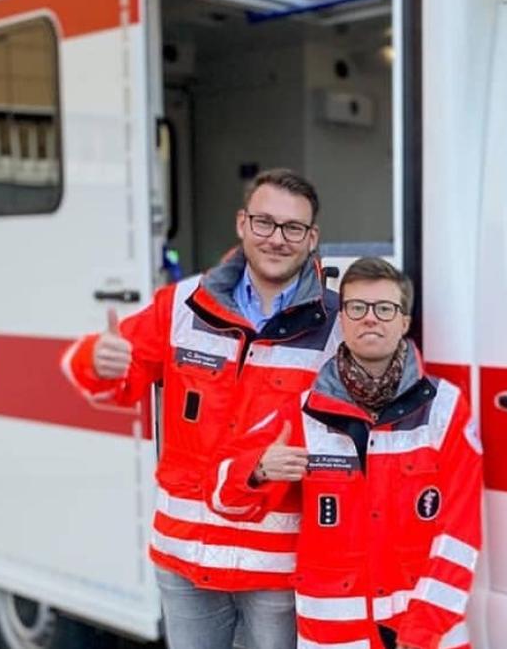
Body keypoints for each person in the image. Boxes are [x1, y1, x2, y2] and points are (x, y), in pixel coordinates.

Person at [61, 168, 340, 649]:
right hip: (184, 555)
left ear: (311, 237)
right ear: (241, 223)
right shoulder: (182, 304)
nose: (277, 238)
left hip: (274, 565)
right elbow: (119, 378)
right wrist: (95, 360)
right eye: (264, 222)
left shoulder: (337, 323)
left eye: (293, 228)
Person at [209, 257, 482, 649]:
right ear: (344, 321)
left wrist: (424, 625)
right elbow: (221, 494)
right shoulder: (303, 413)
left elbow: (460, 530)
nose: (370, 318)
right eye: (356, 307)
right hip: (334, 636)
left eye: (385, 308)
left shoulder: (446, 409)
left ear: (404, 322)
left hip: (424, 634)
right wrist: (257, 469)